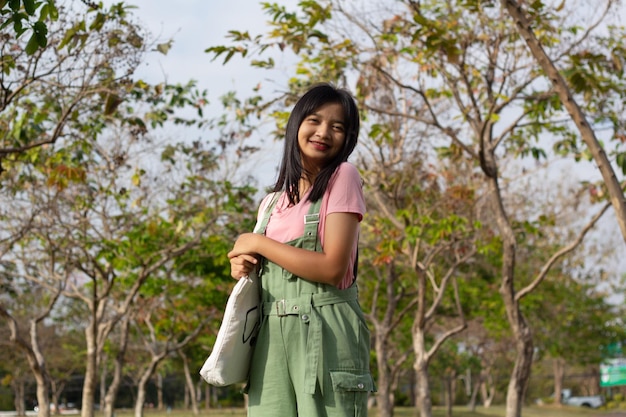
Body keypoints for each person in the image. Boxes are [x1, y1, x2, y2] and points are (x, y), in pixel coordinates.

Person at [228, 82, 375, 416]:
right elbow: (257, 268)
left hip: (326, 333)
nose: (324, 132)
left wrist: (256, 242)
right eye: (314, 120)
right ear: (296, 124)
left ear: (347, 137)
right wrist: (241, 264)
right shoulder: (270, 203)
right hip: (269, 337)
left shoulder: (343, 177)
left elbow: (332, 268)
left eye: (337, 126)